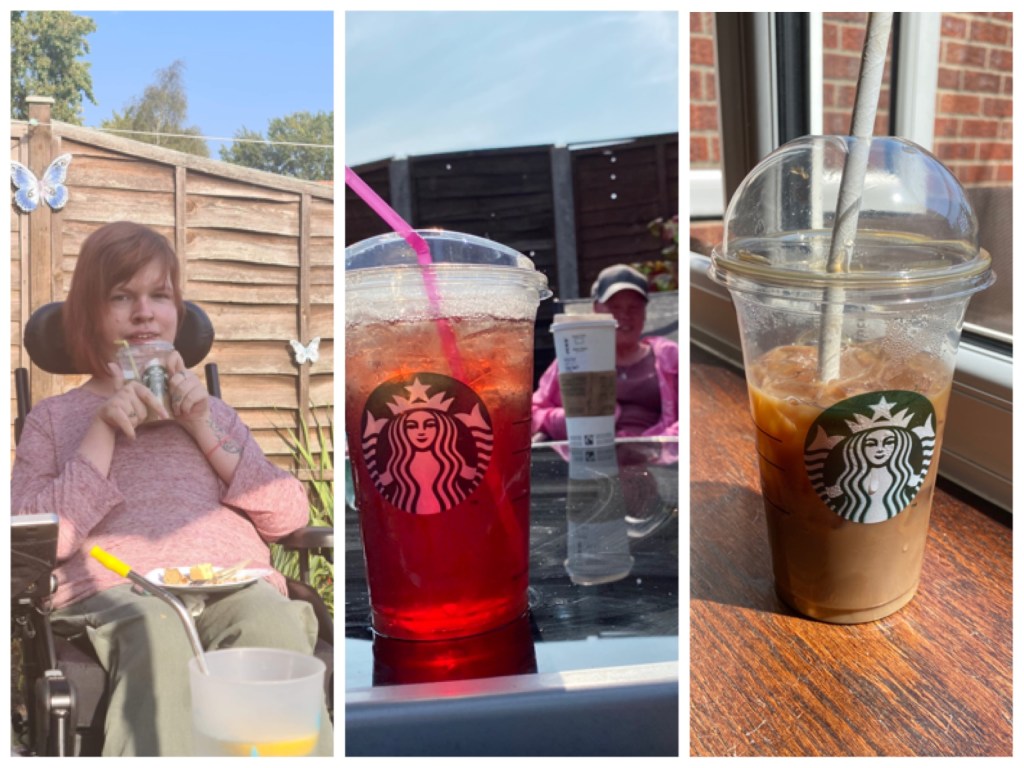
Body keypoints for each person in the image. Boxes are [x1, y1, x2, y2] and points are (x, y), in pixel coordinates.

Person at [11, 222, 332, 756]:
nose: (144, 312)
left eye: (159, 295)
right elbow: (42, 537)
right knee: (157, 630)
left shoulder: (215, 415)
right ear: (88, 315)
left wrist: (201, 427)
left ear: (177, 313)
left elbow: (286, 515)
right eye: (121, 296)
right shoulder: (55, 418)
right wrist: (103, 429)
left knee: (269, 620)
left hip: (235, 584)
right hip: (117, 591)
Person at [531, 264, 678, 441]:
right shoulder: (574, 357)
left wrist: (653, 445)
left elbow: (693, 413)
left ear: (644, 313)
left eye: (634, 307)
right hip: (591, 456)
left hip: (658, 460)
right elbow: (534, 413)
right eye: (615, 307)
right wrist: (575, 419)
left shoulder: (669, 356)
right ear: (596, 309)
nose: (625, 315)